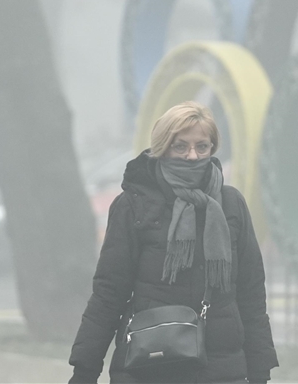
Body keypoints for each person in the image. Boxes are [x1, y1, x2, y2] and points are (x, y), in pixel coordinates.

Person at [69, 101, 278, 383]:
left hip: (220, 369)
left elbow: (251, 295)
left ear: (212, 148)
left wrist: (259, 372)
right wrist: (84, 371)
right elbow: (109, 292)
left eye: (201, 147)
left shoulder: (230, 205)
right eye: (181, 147)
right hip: (149, 365)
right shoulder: (134, 205)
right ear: (162, 147)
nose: (192, 156)